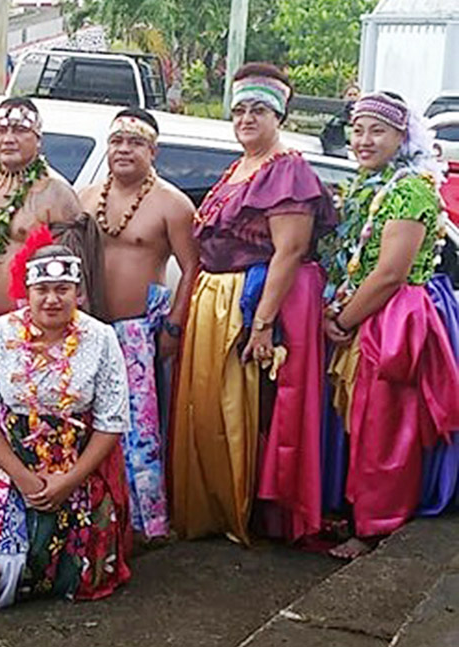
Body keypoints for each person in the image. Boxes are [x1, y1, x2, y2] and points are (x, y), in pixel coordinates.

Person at [171, 63, 337, 545]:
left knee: (242, 409)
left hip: (252, 303)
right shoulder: (240, 166)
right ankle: (215, 506)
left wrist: (262, 323)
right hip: (215, 298)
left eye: (258, 110)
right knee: (209, 406)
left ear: (279, 116)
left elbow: (288, 251)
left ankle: (242, 508)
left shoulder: (287, 170)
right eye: (240, 109)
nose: (246, 118)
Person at [0, 229, 132, 624]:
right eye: (42, 289)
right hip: (5, 458)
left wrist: (69, 480)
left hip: (79, 461)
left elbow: (111, 422)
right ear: (26, 293)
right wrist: (22, 477)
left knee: (84, 570)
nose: (52, 299)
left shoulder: (100, 338)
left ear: (78, 293)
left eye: (63, 289)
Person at [324, 92, 459, 559]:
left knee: (385, 424)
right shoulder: (371, 181)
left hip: (395, 318)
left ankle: (377, 527)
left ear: (403, 137)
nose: (364, 140)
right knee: (361, 421)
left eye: (377, 131)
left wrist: (342, 317)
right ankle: (360, 512)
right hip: (371, 310)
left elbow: (388, 273)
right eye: (358, 130)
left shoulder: (409, 189)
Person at [77, 107, 198, 541]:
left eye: (135, 143)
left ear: (153, 150)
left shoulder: (173, 203)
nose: (124, 150)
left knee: (137, 431)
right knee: (86, 424)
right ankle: (92, 515)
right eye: (117, 141)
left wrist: (174, 325)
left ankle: (145, 525)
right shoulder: (87, 197)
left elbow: (192, 267)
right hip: (87, 330)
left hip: (137, 333)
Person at [0, 97, 80, 397]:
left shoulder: (57, 194)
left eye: (20, 130)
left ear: (38, 138)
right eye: (0, 130)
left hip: (26, 337)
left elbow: (71, 283)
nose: (8, 138)